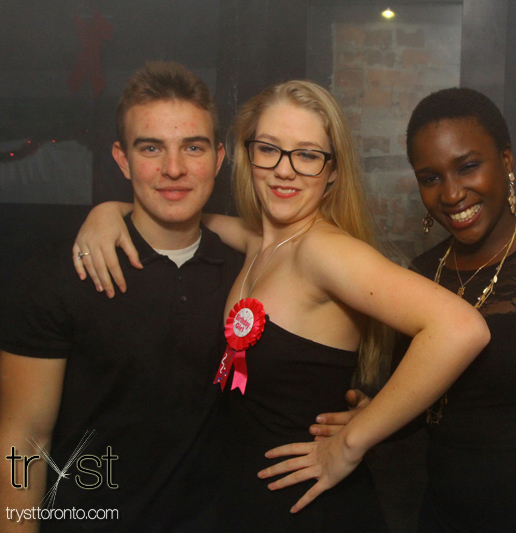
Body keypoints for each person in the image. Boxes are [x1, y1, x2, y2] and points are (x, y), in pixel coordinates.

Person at [71, 80, 490, 531]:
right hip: (251, 502)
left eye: (307, 155)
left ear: (332, 171)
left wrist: (351, 442)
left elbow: (461, 328)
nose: (284, 171)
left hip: (312, 509)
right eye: (269, 149)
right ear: (247, 155)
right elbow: (187, 216)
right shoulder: (261, 241)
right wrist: (110, 211)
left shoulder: (324, 251)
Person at [311, 87, 516, 531]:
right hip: (447, 518)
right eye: (430, 177)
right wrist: (375, 414)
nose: (451, 193)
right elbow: (426, 404)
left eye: (467, 167)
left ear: (506, 160)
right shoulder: (421, 276)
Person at [0, 62, 242, 532]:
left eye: (192, 147)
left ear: (217, 158)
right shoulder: (59, 276)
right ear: (122, 158)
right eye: (151, 148)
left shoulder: (245, 272)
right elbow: (23, 439)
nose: (174, 169)